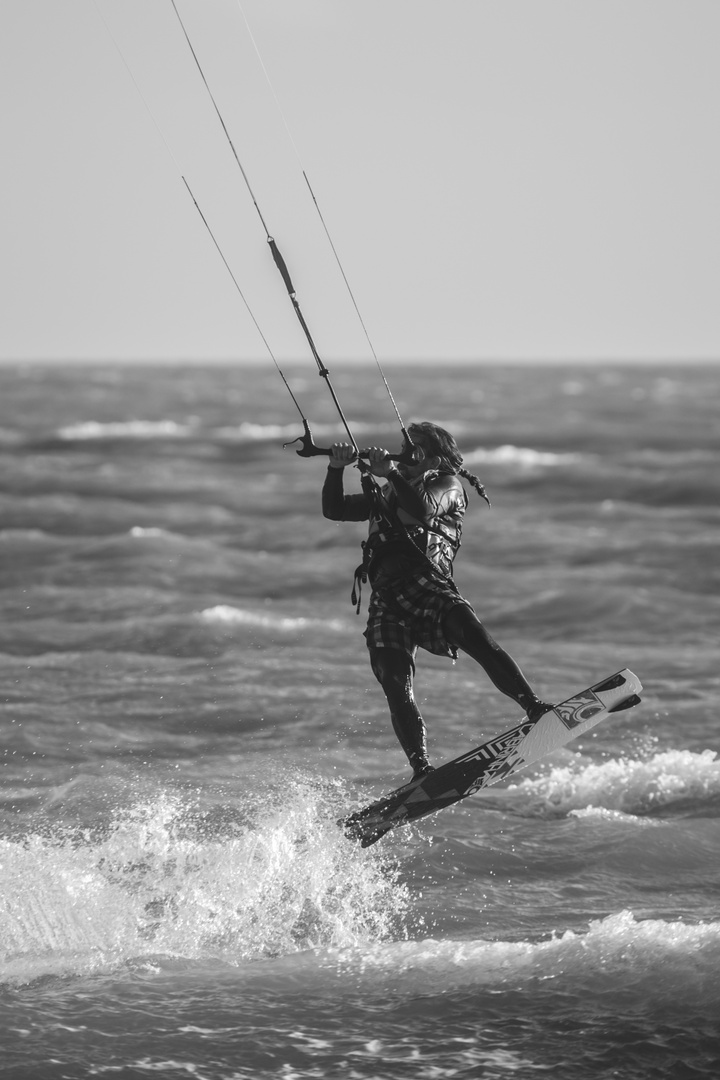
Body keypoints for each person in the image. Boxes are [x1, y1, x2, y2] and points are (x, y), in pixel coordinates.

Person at [322, 420, 553, 781]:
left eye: (414, 450)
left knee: (477, 640)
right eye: (403, 447)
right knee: (394, 680)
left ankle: (534, 707)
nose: (404, 454)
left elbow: (423, 511)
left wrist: (392, 476)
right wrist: (335, 468)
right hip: (387, 600)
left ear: (433, 459)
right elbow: (334, 509)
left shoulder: (448, 486)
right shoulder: (385, 493)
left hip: (429, 586)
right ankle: (421, 769)